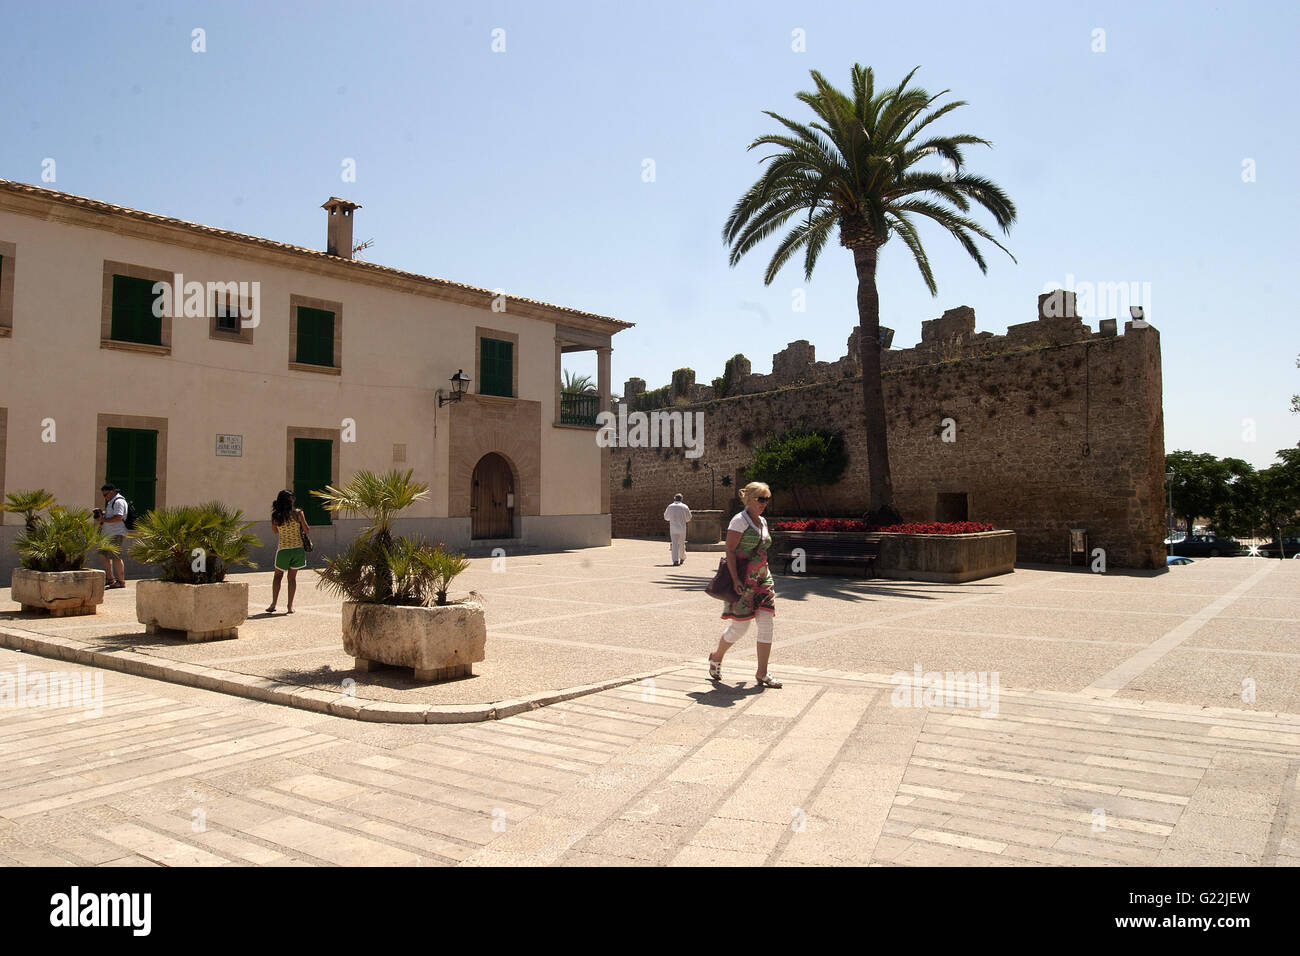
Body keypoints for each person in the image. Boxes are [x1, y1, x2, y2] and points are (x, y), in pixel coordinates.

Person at [707, 481, 781, 688]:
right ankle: (716, 656)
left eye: (767, 499)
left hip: (763, 578)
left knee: (766, 623)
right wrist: (736, 579)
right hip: (744, 580)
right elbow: (729, 550)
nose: (764, 503)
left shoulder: (763, 522)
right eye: (761, 499)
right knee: (740, 627)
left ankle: (762, 673)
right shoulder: (739, 521)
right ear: (749, 499)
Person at [266, 490, 310, 613]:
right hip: (297, 549)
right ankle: (290, 606)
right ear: (291, 501)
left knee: (277, 577)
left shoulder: (276, 515)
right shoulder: (298, 513)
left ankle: (273, 604)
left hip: (283, 550)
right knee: (292, 579)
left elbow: (275, 531)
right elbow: (307, 530)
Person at [95, 483, 128, 589]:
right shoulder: (111, 502)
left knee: (115, 557)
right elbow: (112, 515)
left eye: (106, 495)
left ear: (112, 492)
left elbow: (118, 517)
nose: (105, 497)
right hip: (107, 534)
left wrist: (103, 519)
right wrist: (102, 514)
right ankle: (110, 578)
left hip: (116, 533)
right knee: (103, 554)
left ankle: (121, 581)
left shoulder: (119, 501)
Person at [664, 493, 692, 566]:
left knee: (674, 544)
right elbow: (689, 518)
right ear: (682, 499)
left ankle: (675, 560)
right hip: (682, 528)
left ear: (674, 498)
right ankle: (682, 557)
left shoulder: (670, 506)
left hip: (673, 528)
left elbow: (666, 517)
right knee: (682, 543)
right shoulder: (685, 507)